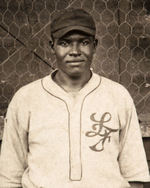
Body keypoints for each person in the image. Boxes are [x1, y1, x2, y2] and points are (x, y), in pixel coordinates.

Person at [0, 8, 149, 188]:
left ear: (95, 45)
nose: (75, 51)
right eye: (65, 43)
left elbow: (134, 173)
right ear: (51, 46)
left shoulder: (117, 96)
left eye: (84, 42)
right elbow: (9, 176)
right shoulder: (26, 99)